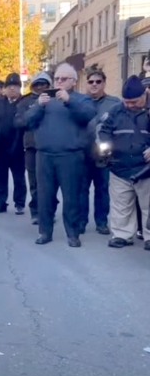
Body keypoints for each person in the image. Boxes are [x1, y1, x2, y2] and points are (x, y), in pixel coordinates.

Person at [26, 63, 96, 247]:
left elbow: (88, 115)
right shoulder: (45, 100)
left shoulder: (81, 99)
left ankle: (73, 234)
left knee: (71, 197)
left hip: (70, 156)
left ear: (73, 81)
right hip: (45, 156)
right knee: (45, 197)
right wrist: (38, 106)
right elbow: (26, 121)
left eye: (63, 79)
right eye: (56, 78)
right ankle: (45, 232)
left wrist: (68, 101)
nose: (58, 82)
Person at [97, 75, 150, 249]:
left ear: (144, 95)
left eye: (134, 102)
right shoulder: (115, 111)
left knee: (148, 204)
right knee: (120, 203)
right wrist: (105, 147)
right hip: (119, 165)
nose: (129, 105)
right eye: (127, 102)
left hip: (146, 168)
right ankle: (122, 234)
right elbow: (104, 131)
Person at [81, 69, 120, 235]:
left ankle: (101, 222)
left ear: (104, 83)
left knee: (102, 189)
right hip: (83, 153)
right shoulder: (80, 102)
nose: (94, 85)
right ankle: (81, 222)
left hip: (104, 155)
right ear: (87, 84)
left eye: (98, 81)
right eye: (91, 82)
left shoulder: (114, 103)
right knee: (81, 189)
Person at [14, 72, 52, 225]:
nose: (41, 87)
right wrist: (37, 107)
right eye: (38, 84)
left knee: (50, 183)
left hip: (51, 146)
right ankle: (35, 212)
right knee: (34, 182)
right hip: (32, 147)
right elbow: (19, 122)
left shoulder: (56, 98)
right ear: (33, 86)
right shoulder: (25, 102)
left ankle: (49, 211)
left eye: (44, 84)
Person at [0, 73, 27, 215]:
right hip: (0, 147)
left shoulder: (24, 102)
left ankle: (19, 204)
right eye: (9, 86)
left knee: (19, 178)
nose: (12, 89)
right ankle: (1, 203)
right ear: (4, 88)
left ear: (19, 88)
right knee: (0, 177)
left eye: (15, 86)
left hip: (18, 146)